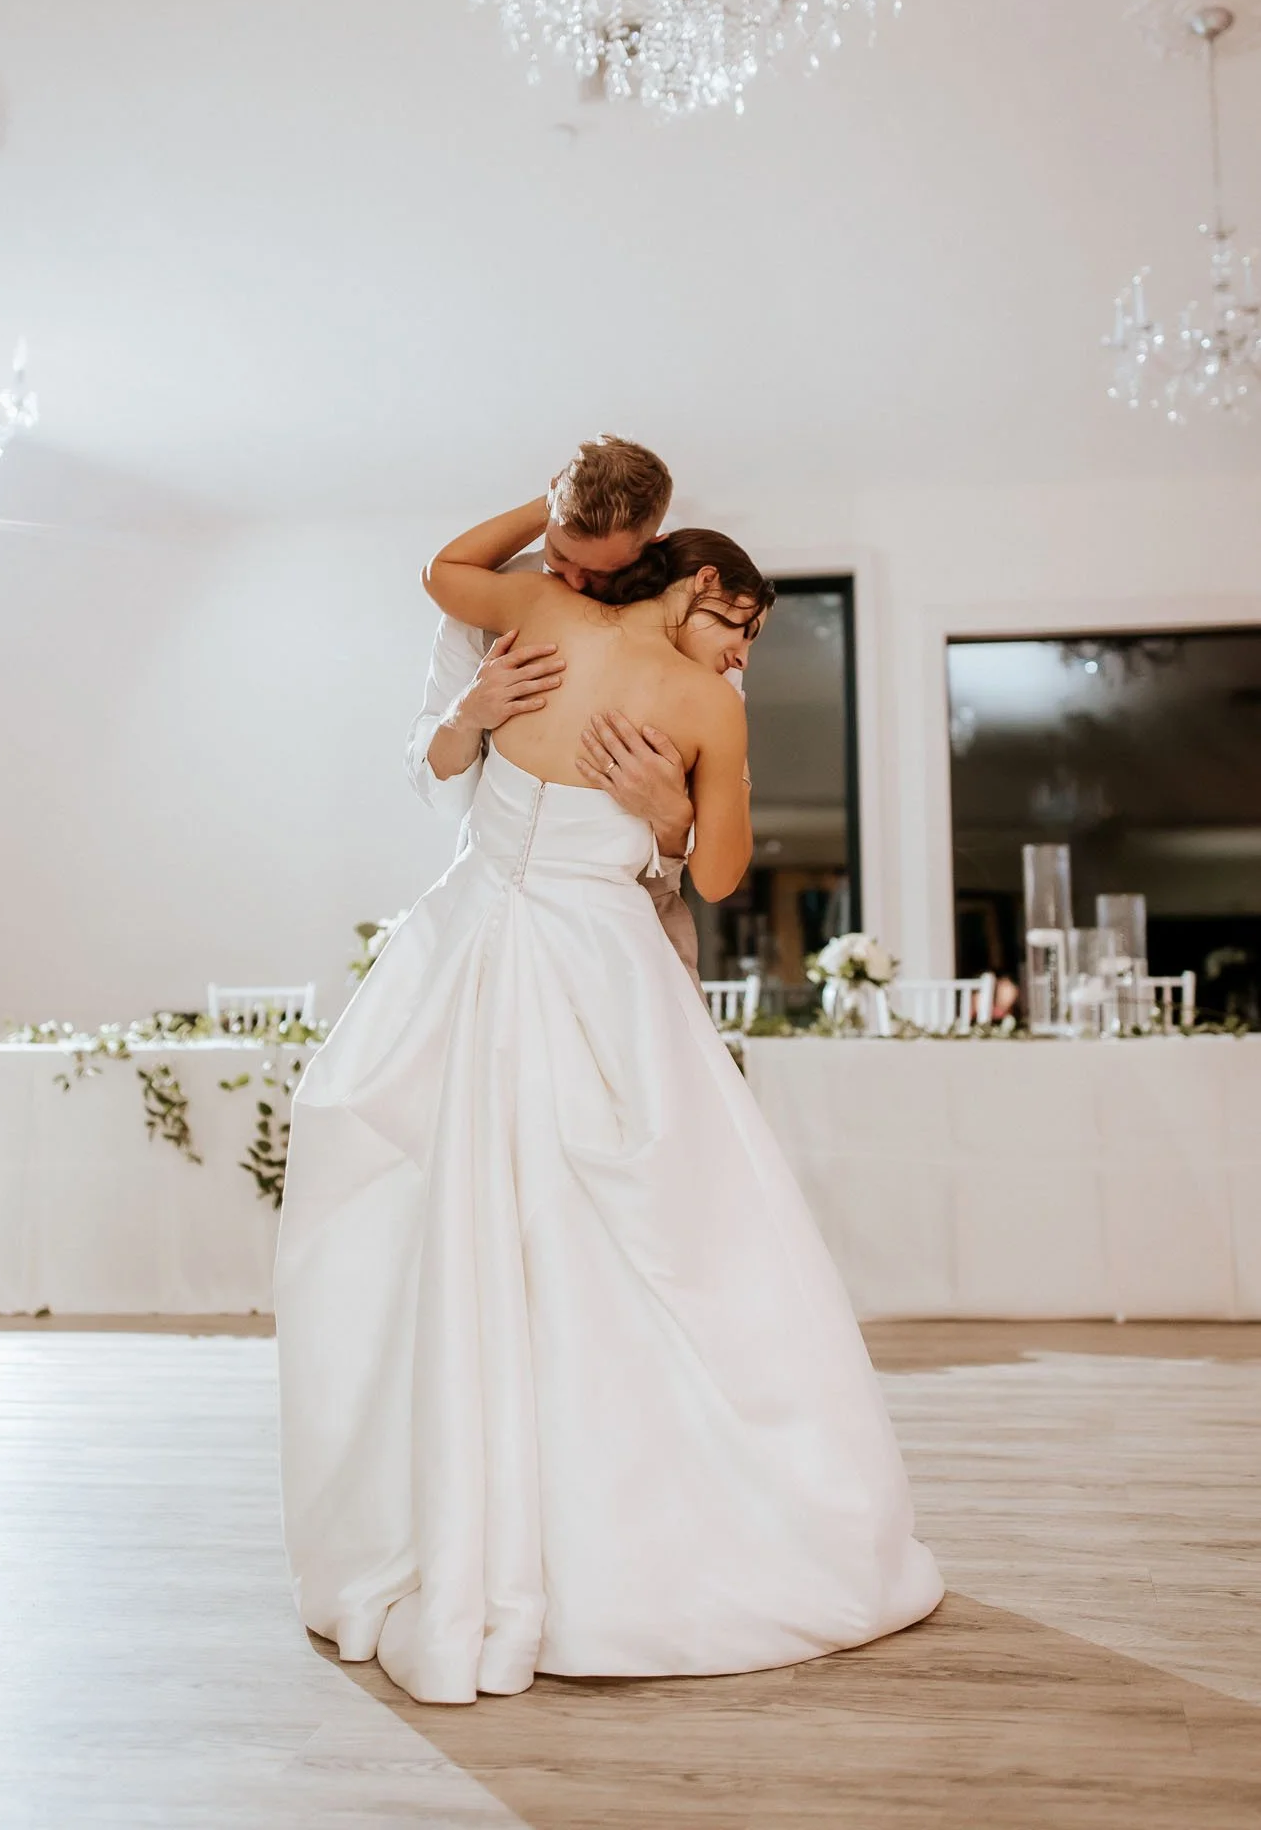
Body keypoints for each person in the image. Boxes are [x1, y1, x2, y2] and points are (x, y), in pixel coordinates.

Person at [274, 490, 943, 1706]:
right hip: (600, 969)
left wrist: (548, 499)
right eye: (740, 623)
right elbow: (724, 875)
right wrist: (675, 818)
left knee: (456, 1221)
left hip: (469, 950)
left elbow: (440, 567)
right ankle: (634, 1535)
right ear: (694, 585)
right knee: (663, 1237)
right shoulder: (706, 706)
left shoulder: (536, 612)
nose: (744, 654)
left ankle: (452, 1520)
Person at [405, 434, 703, 976]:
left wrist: (674, 815)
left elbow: (713, 816)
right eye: (560, 554)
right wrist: (466, 715)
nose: (572, 581)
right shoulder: (487, 600)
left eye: (600, 573)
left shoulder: (681, 628)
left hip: (630, 930)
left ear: (651, 546)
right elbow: (444, 799)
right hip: (498, 919)